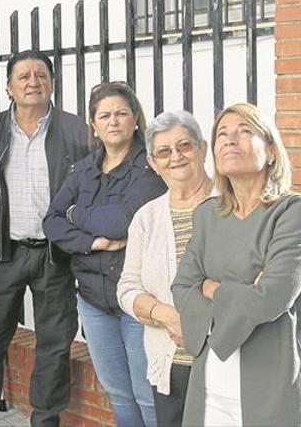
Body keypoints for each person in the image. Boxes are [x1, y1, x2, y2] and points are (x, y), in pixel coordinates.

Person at [0, 50, 89, 427]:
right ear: (9, 87)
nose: (33, 81)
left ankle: (45, 418)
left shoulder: (76, 130)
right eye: (24, 76)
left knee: (54, 343)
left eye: (41, 75)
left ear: (51, 82)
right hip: (5, 252)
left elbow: (87, 188)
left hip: (55, 256)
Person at [43, 82, 165, 427]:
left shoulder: (149, 167)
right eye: (105, 115)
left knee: (147, 393)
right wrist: (91, 242)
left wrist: (75, 214)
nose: (113, 122)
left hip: (138, 303)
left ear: (135, 119)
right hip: (94, 302)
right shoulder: (83, 169)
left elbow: (121, 221)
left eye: (121, 113)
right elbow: (51, 220)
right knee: (118, 392)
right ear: (93, 124)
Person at [171, 102, 301, 426]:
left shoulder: (290, 212)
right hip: (209, 386)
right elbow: (182, 288)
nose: (230, 140)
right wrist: (243, 292)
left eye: (245, 132)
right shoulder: (206, 215)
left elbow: (272, 297)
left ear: (271, 151)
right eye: (222, 134)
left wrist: (212, 288)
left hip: (269, 383)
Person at [116, 110, 213, 425]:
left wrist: (199, 326)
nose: (176, 157)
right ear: (154, 163)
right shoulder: (147, 217)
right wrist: (169, 316)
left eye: (184, 146)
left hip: (224, 362)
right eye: (164, 151)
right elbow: (127, 289)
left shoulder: (230, 204)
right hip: (170, 365)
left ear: (202, 148)